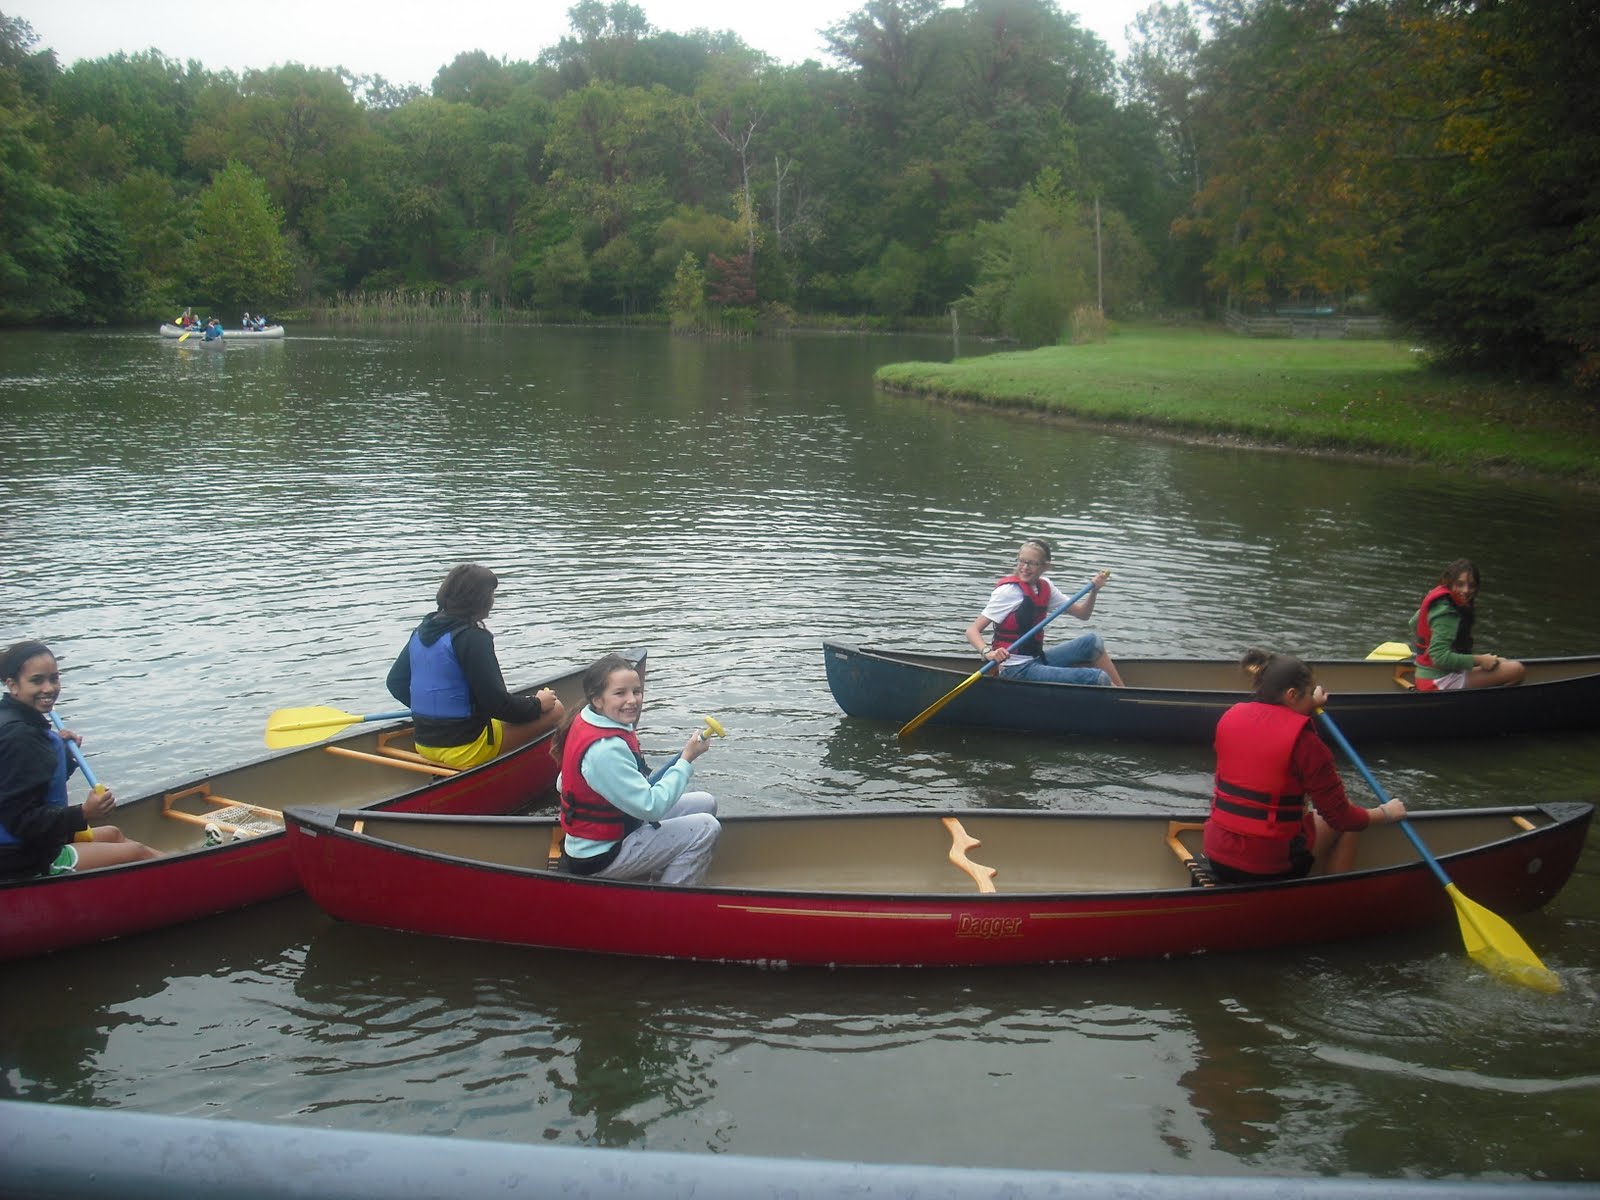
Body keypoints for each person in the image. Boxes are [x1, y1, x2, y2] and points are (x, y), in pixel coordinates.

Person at [1203, 648, 1405, 883]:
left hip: (1217, 852)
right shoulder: (1308, 744)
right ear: (1291, 695)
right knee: (1352, 817)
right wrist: (1385, 813)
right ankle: (1332, 898)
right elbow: (1342, 818)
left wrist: (1308, 701)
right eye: (1309, 693)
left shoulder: (1230, 717)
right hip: (1268, 864)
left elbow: (1273, 729)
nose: (1312, 698)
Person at [552, 653, 720, 885]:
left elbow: (562, 783)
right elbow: (651, 807)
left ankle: (660, 873)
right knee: (706, 828)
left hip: (618, 828)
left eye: (636, 691)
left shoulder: (588, 719)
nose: (632, 700)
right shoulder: (604, 750)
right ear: (598, 699)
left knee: (705, 801)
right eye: (620, 693)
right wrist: (686, 760)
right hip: (599, 857)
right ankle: (669, 903)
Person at [0, 640, 160, 880]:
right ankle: (201, 878)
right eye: (37, 680)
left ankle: (187, 871)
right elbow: (21, 820)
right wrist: (84, 813)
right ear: (12, 685)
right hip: (25, 858)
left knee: (113, 834)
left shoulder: (16, 719)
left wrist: (61, 753)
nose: (49, 688)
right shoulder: (21, 734)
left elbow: (32, 785)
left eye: (54, 678)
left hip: (30, 842)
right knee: (137, 852)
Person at [386, 563, 563, 769]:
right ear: (480, 600)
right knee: (557, 710)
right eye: (491, 595)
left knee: (504, 716)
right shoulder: (474, 638)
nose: (492, 601)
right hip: (466, 747)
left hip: (424, 743)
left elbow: (395, 683)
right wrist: (538, 704)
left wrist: (433, 714)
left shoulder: (420, 632)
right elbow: (498, 705)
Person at [964, 537, 1125, 686]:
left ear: (1045, 566)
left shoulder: (1045, 587)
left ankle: (1123, 694)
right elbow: (972, 631)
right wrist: (989, 653)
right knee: (1097, 678)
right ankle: (1123, 703)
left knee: (1092, 642)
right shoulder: (1008, 592)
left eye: (1032, 563)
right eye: (1022, 561)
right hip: (1014, 669)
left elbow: (1083, 614)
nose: (1025, 568)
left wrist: (1094, 591)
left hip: (1036, 659)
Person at [1410, 558, 1525, 690]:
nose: (1466, 590)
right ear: (1449, 583)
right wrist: (1479, 660)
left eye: (1471, 585)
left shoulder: (1438, 600)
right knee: (1517, 670)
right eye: (1460, 584)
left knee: (1503, 662)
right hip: (1437, 682)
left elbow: (1414, 622)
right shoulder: (1447, 612)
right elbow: (1439, 658)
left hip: (1424, 675)